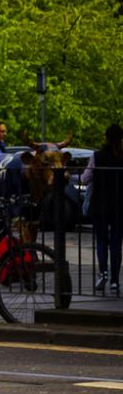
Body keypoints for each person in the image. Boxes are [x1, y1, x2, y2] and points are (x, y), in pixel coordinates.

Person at [87, 123, 123, 298]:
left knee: (101, 240)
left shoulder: (97, 156)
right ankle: (115, 281)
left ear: (105, 138)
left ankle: (103, 273)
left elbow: (86, 177)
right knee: (116, 243)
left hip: (100, 204)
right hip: (119, 205)